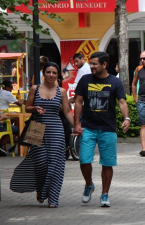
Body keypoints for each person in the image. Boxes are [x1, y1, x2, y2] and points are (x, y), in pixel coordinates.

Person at [11, 62, 74, 208]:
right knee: (40, 163)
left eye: (54, 73)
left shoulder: (62, 91)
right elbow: (27, 107)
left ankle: (53, 199)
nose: (51, 75)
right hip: (36, 127)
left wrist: (76, 125)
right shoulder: (35, 88)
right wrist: (35, 108)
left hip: (56, 129)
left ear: (58, 75)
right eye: (48, 72)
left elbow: (66, 112)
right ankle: (40, 189)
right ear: (43, 73)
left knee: (55, 164)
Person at [74, 51, 130, 207]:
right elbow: (78, 102)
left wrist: (127, 118)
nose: (91, 66)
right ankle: (89, 184)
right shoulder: (85, 80)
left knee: (107, 163)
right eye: (90, 63)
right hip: (88, 127)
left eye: (94, 64)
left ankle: (105, 194)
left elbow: (122, 103)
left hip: (108, 128)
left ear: (104, 65)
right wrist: (76, 124)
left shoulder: (115, 82)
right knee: (84, 159)